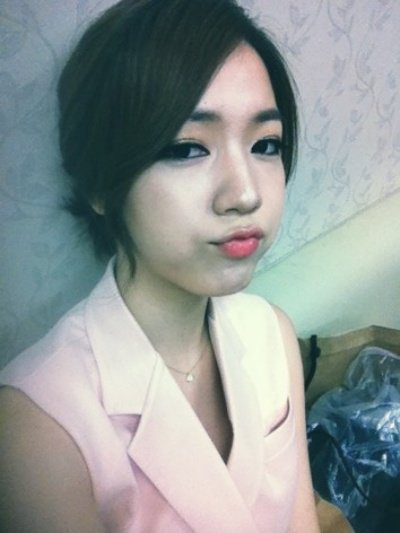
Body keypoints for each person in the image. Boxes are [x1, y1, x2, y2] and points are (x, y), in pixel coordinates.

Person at [0, 0, 319, 531]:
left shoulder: (270, 332)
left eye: (266, 144)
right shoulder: (40, 427)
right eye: (187, 149)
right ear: (101, 184)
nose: (245, 194)